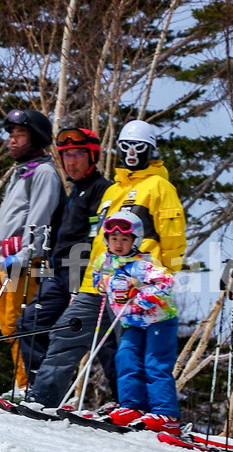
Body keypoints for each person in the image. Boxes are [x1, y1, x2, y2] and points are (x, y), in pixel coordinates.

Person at [20, 119, 186, 416]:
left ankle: (140, 408)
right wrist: (91, 277)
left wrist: (163, 278)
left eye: (139, 148)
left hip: (134, 284)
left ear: (151, 150)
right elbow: (99, 239)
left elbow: (173, 238)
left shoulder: (159, 187)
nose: (132, 154)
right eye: (126, 148)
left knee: (128, 349)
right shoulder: (113, 191)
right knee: (64, 334)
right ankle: (43, 397)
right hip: (98, 282)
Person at [15, 127, 113, 387]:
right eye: (66, 155)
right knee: (30, 324)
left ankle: (125, 402)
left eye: (78, 153)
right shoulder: (75, 192)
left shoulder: (102, 190)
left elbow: (96, 240)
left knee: (101, 339)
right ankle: (39, 389)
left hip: (83, 278)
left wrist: (79, 279)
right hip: (57, 274)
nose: (71, 161)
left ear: (93, 156)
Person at [0, 108, 64, 394]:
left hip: (22, 261)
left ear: (37, 138)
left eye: (20, 135)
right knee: (6, 327)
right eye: (11, 135)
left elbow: (39, 219)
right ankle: (24, 382)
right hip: (0, 258)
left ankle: (29, 384)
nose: (13, 141)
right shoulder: (20, 171)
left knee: (18, 323)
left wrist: (28, 253)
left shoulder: (43, 172)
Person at [89, 211, 180, 433]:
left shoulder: (143, 264)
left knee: (154, 362)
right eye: (114, 239)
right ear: (107, 240)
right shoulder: (104, 261)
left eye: (125, 239)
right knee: (125, 357)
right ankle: (133, 406)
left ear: (134, 241)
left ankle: (165, 412)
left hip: (159, 320)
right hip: (132, 322)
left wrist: (140, 298)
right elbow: (97, 276)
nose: (119, 244)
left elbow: (166, 282)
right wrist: (100, 283)